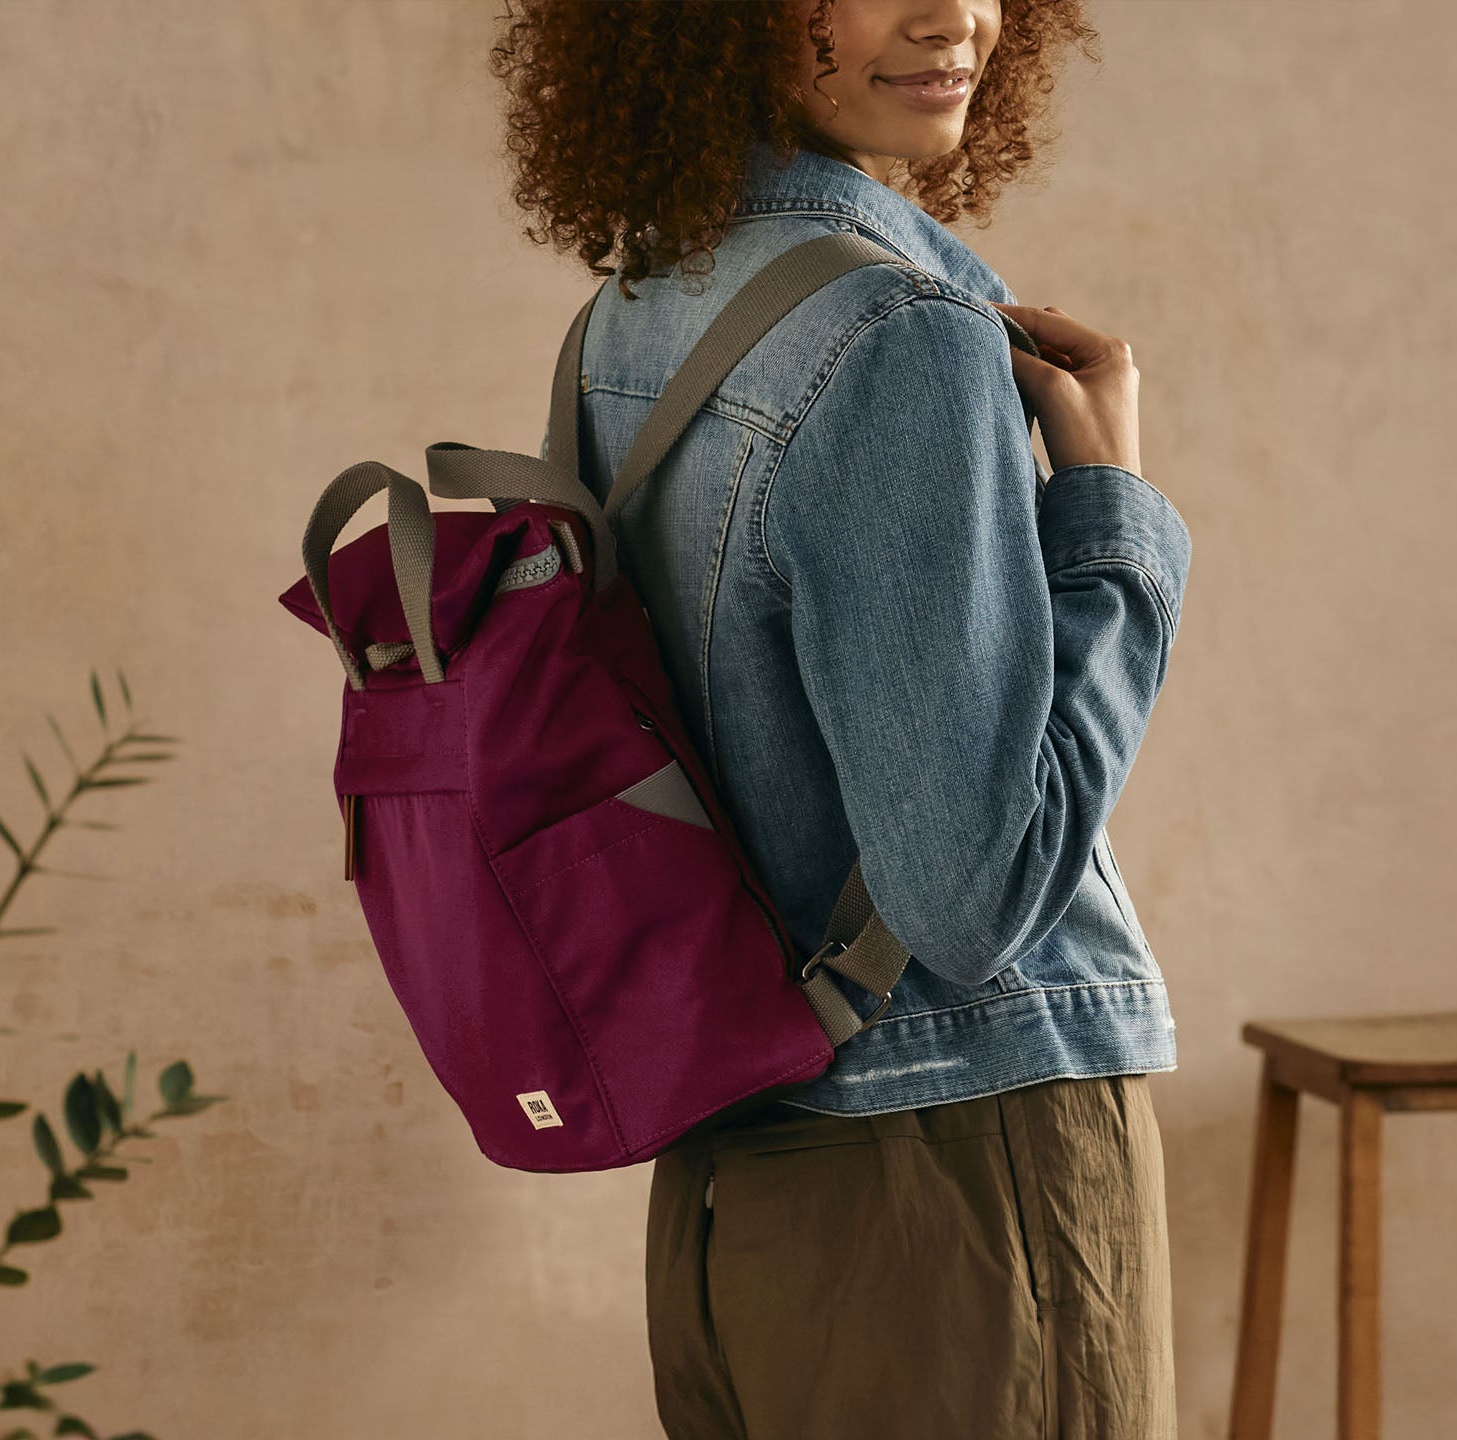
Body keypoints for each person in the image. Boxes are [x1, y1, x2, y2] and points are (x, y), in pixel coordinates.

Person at [490, 3, 1191, 1436]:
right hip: (955, 1180)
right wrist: (1114, 522)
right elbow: (973, 898)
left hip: (733, 1182)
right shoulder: (898, 338)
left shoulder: (637, 309)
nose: (955, 18)